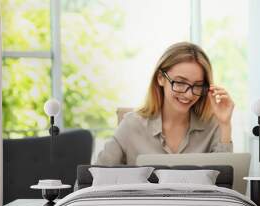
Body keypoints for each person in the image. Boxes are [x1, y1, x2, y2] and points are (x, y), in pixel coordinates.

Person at [96, 41, 234, 165]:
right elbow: (94, 177)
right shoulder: (131, 125)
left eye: (197, 85)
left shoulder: (212, 126)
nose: (189, 94)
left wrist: (225, 125)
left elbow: (225, 182)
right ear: (161, 78)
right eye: (180, 82)